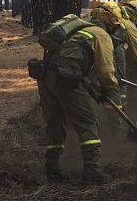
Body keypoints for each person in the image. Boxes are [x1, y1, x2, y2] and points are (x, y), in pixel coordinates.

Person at [36, 13, 119, 184]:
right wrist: (109, 90)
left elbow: (79, 72)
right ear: (110, 25)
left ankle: (52, 170)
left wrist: (95, 93)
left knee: (55, 122)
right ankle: (91, 170)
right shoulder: (101, 35)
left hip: (44, 77)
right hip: (64, 78)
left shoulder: (75, 32)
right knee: (87, 122)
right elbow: (106, 72)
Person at [88, 0, 137, 106]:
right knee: (117, 78)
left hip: (91, 54)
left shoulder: (112, 17)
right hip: (109, 56)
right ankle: (119, 104)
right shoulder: (129, 26)